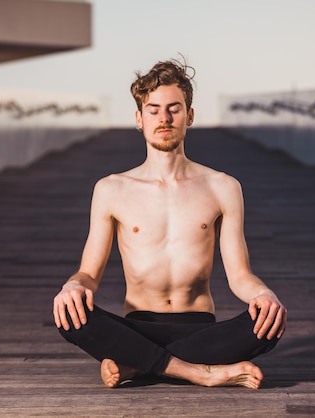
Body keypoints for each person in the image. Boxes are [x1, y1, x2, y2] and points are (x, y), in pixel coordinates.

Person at [53, 58, 287, 389]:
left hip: (201, 327)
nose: (164, 118)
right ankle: (198, 371)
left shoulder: (223, 187)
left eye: (174, 108)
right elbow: (89, 275)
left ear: (190, 115)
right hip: (137, 325)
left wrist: (263, 294)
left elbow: (239, 275)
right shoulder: (111, 189)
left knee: (270, 322)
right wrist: (73, 286)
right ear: (139, 119)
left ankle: (140, 364)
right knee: (69, 315)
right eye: (153, 110)